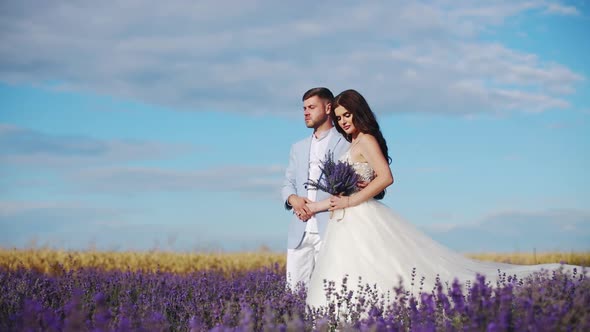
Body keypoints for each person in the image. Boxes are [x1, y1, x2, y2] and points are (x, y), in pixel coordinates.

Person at [305, 89, 584, 309]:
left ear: (358, 113)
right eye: (340, 117)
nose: (343, 121)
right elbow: (353, 187)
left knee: (378, 267)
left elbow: (386, 177)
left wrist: (352, 200)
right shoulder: (352, 143)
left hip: (361, 215)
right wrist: (317, 206)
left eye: (347, 115)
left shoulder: (366, 139)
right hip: (345, 219)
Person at [281, 87, 351, 291]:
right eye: (304, 108)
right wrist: (293, 199)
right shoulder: (298, 147)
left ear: (328, 108)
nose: (306, 112)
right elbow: (287, 183)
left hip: (330, 228)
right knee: (294, 293)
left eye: (311, 107)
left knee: (330, 292)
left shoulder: (345, 142)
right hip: (299, 229)